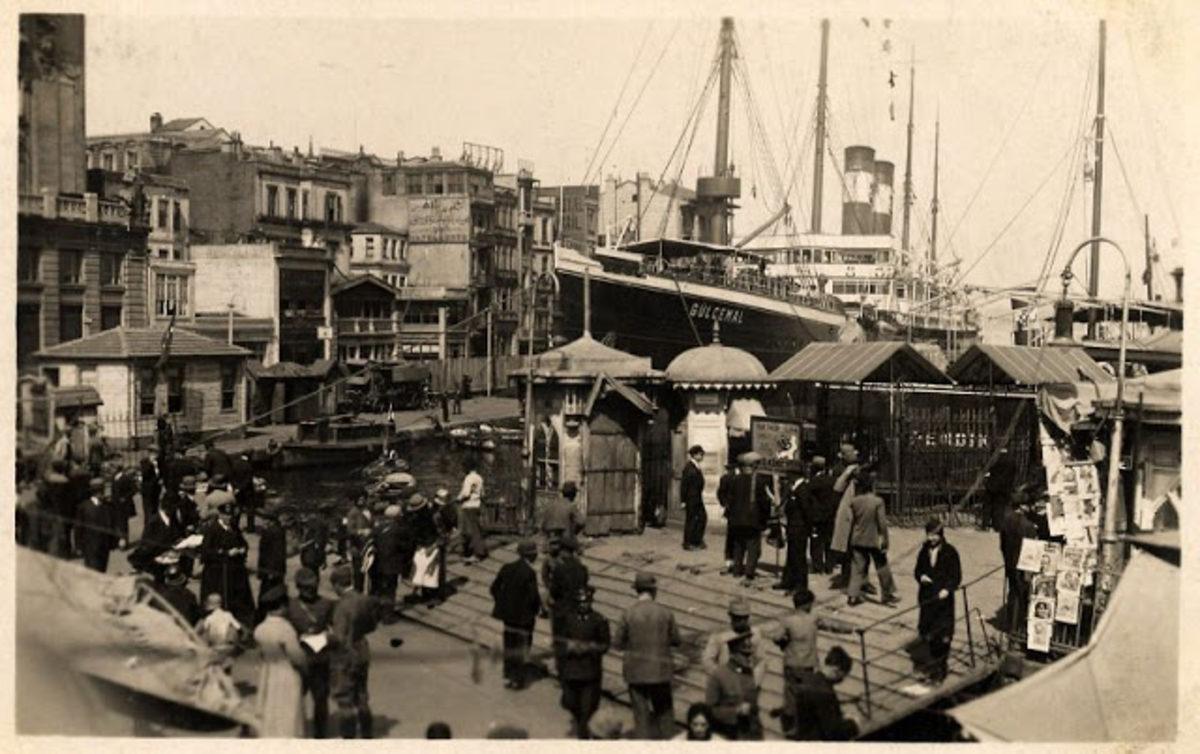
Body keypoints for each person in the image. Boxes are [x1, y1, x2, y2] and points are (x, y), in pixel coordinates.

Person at [761, 588, 855, 736]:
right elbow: (831, 626)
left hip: (792, 664)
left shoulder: (788, 621)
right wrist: (850, 629)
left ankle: (790, 728)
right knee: (806, 696)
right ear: (807, 604)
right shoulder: (813, 618)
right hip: (809, 665)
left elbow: (777, 637)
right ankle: (804, 726)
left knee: (791, 696)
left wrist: (783, 641)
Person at [613, 571, 682, 740]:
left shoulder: (627, 613)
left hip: (636, 673)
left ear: (636, 590)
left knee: (641, 716)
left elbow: (617, 643)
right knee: (665, 713)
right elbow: (676, 640)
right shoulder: (665, 612)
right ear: (654, 591)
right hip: (660, 671)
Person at [329, 564, 378, 738]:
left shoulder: (342, 607)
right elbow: (372, 625)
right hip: (362, 649)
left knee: (345, 700)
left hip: (346, 656)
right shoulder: (364, 599)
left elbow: (339, 637)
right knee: (362, 696)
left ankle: (349, 739)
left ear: (337, 584)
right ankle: (367, 735)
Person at [286, 567, 335, 738]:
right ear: (298, 587)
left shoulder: (328, 604)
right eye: (306, 588)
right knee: (294, 700)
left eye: (312, 587)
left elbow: (336, 629)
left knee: (321, 701)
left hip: (320, 659)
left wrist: (328, 637)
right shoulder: (289, 605)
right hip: (298, 660)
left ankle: (320, 738)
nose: (310, 591)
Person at [254, 585, 307, 737]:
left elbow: (261, 655)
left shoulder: (260, 629)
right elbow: (297, 657)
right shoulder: (286, 629)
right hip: (287, 674)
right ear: (282, 606)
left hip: (268, 673)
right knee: (289, 716)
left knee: (271, 713)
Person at [558, 586, 611, 739]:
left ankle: (583, 735)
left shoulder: (599, 620)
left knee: (587, 708)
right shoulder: (567, 619)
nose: (583, 605)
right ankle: (581, 722)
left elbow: (605, 644)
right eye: (580, 603)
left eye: (586, 602)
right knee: (569, 702)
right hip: (571, 671)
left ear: (591, 602)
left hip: (590, 672)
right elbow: (558, 642)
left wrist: (590, 648)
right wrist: (567, 646)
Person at [914, 518, 962, 684]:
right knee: (928, 635)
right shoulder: (924, 551)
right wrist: (921, 576)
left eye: (935, 535)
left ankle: (940, 669)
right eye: (929, 535)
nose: (932, 538)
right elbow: (917, 570)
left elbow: (956, 576)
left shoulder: (950, 552)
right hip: (928, 599)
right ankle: (933, 668)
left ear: (941, 535)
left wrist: (947, 589)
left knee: (943, 636)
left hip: (943, 602)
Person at [490, 540, 542, 690]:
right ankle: (517, 679)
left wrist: (503, 603)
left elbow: (494, 588)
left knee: (509, 645)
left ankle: (508, 676)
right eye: (534, 553)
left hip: (507, 617)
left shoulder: (507, 567)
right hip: (523, 618)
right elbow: (533, 596)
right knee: (521, 647)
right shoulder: (529, 573)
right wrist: (537, 610)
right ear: (531, 555)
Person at [846, 471, 900, 607]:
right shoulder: (877, 502)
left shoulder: (855, 501)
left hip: (857, 538)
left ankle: (852, 595)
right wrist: (885, 540)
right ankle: (887, 594)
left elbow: (851, 521)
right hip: (873, 539)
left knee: (857, 568)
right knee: (882, 566)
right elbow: (882, 523)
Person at [199, 501, 256, 626]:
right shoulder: (212, 530)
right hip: (217, 572)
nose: (229, 518)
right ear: (220, 515)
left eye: (230, 515)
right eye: (226, 515)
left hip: (234, 570)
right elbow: (206, 552)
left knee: (238, 597)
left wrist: (242, 549)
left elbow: (243, 543)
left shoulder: (234, 528)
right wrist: (225, 553)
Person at [790, 646, 859, 741]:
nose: (841, 680)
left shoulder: (808, 679)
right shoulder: (825, 693)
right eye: (842, 676)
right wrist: (853, 723)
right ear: (836, 671)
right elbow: (833, 733)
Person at [705, 632, 763, 740]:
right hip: (727, 733)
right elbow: (710, 710)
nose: (749, 659)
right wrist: (735, 711)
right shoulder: (718, 675)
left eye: (750, 654)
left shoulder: (749, 674)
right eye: (744, 655)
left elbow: (753, 708)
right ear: (733, 654)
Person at [701, 597, 767, 691]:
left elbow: (761, 660)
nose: (741, 621)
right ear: (730, 616)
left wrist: (755, 682)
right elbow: (707, 660)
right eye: (737, 618)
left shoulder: (755, 634)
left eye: (744, 618)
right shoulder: (720, 634)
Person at [727, 452, 771, 583]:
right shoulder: (758, 481)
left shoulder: (735, 479)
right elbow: (764, 502)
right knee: (753, 546)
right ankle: (749, 572)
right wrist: (766, 519)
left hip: (736, 519)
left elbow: (730, 499)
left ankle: (737, 570)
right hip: (752, 520)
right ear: (754, 466)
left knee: (738, 545)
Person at [999, 488, 1038, 631]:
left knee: (1013, 592)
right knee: (1022, 596)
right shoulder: (1028, 526)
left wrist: (1007, 559)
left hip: (1010, 562)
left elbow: (1002, 545)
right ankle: (1018, 627)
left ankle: (1010, 625)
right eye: (1028, 505)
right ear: (1022, 506)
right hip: (1023, 565)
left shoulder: (1006, 521)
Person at [828, 444, 863, 589]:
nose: (855, 453)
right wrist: (848, 473)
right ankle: (847, 578)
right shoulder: (839, 469)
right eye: (850, 452)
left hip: (859, 511)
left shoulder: (858, 468)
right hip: (846, 513)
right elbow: (837, 488)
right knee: (848, 549)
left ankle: (861, 579)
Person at [776, 464, 813, 593]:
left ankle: (800, 585)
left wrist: (809, 528)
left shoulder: (802, 489)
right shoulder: (794, 487)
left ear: (795, 475)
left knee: (798, 558)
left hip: (800, 528)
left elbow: (806, 510)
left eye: (789, 474)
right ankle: (788, 581)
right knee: (791, 556)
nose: (787, 476)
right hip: (793, 527)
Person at [76, 478, 122, 573]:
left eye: (103, 490)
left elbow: (113, 524)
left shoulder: (108, 506)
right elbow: (79, 528)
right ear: (95, 492)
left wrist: (119, 539)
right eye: (101, 491)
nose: (104, 493)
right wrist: (79, 546)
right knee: (93, 572)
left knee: (102, 571)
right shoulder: (84, 507)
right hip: (90, 547)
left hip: (104, 546)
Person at [370, 505, 405, 618]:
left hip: (377, 564)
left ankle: (374, 612)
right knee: (390, 590)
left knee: (377, 589)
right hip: (391, 565)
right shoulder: (399, 530)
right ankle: (387, 614)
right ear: (396, 517)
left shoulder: (378, 527)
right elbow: (403, 547)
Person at [196, 592, 245, 673]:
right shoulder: (228, 615)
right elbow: (239, 628)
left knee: (214, 670)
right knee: (227, 669)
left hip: (214, 647)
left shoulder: (209, 618)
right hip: (227, 647)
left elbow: (202, 631)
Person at [407, 494, 442, 602]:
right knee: (422, 571)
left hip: (431, 545)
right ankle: (426, 595)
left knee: (431, 572)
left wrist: (434, 546)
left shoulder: (433, 517)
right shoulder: (417, 518)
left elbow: (441, 534)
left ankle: (433, 596)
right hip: (422, 546)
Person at [806, 456, 836, 574]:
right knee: (829, 541)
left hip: (817, 516)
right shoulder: (832, 480)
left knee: (816, 541)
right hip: (830, 515)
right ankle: (829, 565)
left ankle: (817, 565)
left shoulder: (813, 482)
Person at [457, 457, 488, 562]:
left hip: (468, 506)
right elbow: (483, 493)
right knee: (474, 528)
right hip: (477, 505)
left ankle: (478, 553)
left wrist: (458, 499)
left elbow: (466, 493)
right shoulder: (479, 478)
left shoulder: (468, 478)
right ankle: (470, 551)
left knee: (471, 531)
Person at [257, 511, 289, 607]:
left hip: (270, 570)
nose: (263, 522)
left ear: (271, 521)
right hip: (274, 569)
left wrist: (271, 571)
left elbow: (276, 553)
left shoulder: (271, 532)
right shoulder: (278, 530)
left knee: (268, 592)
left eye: (265, 520)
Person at [542, 481, 584, 551]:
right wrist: (574, 532)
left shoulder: (551, 505)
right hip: (565, 542)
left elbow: (543, 525)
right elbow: (581, 522)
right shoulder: (571, 506)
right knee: (576, 555)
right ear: (573, 494)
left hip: (550, 541)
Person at [681, 445, 707, 551]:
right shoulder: (689, 467)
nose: (702, 456)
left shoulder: (696, 466)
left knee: (702, 518)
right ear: (695, 455)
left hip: (697, 497)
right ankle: (688, 543)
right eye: (701, 454)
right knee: (691, 520)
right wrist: (683, 500)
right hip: (691, 498)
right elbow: (684, 485)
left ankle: (696, 540)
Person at [716, 460, 740, 572]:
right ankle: (732, 560)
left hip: (732, 511)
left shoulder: (731, 478)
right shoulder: (727, 478)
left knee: (732, 536)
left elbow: (720, 493)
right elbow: (721, 493)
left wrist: (725, 503)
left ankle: (731, 559)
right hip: (733, 511)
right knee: (733, 536)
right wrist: (725, 503)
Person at [109, 461, 138, 543]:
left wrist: (125, 497)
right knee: (117, 522)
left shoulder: (125, 477)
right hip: (115, 504)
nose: (111, 470)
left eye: (112, 468)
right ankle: (118, 540)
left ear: (117, 469)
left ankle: (125, 540)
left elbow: (134, 489)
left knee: (123, 523)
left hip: (124, 505)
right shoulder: (114, 477)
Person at [139, 456, 161, 524]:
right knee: (152, 509)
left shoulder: (146, 471)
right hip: (153, 491)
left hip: (148, 492)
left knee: (148, 510)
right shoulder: (153, 472)